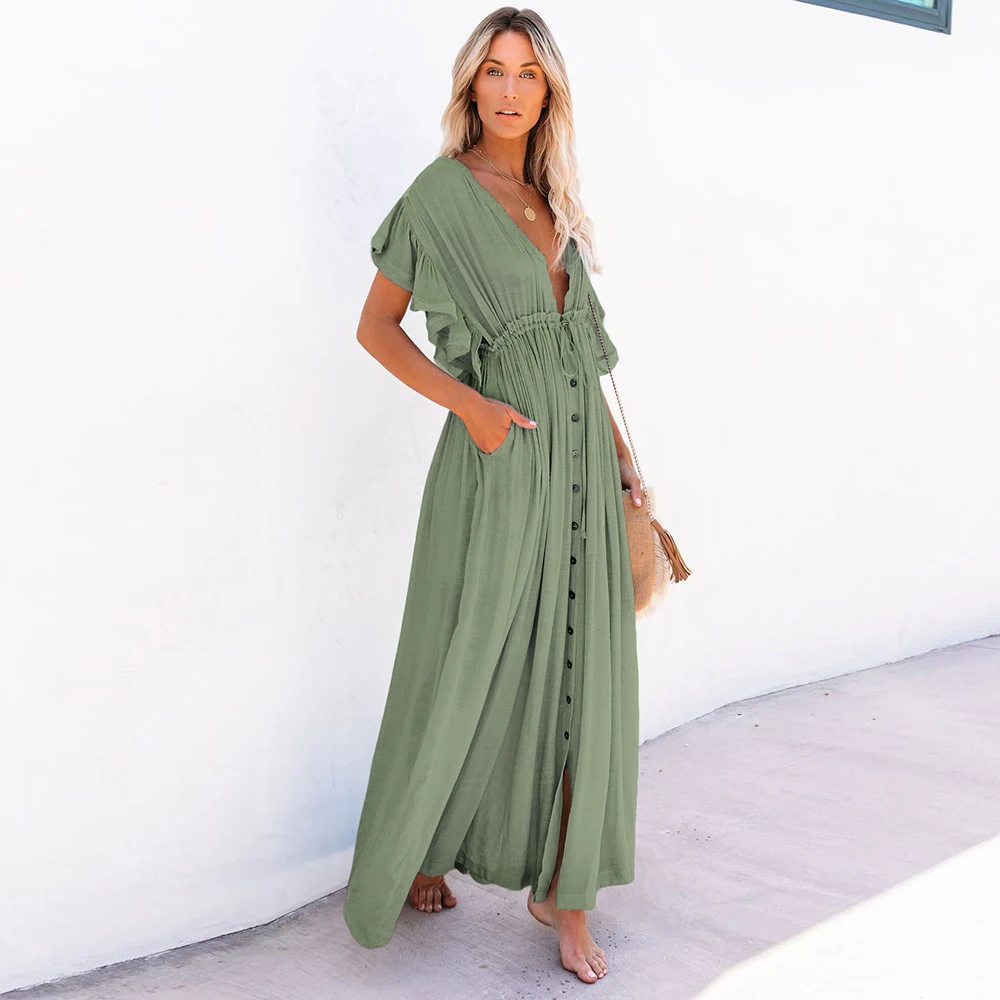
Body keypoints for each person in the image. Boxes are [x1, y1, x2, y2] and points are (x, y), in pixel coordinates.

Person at [344, 7, 642, 984]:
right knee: (471, 658)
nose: (510, 90)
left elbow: (582, 354)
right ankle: (423, 848)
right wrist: (468, 405)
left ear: (549, 92)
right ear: (470, 85)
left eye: (528, 74)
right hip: (499, 460)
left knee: (584, 673)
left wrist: (622, 461)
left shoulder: (552, 198)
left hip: (583, 470)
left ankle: (565, 894)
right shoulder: (440, 195)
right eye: (494, 72)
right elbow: (376, 329)